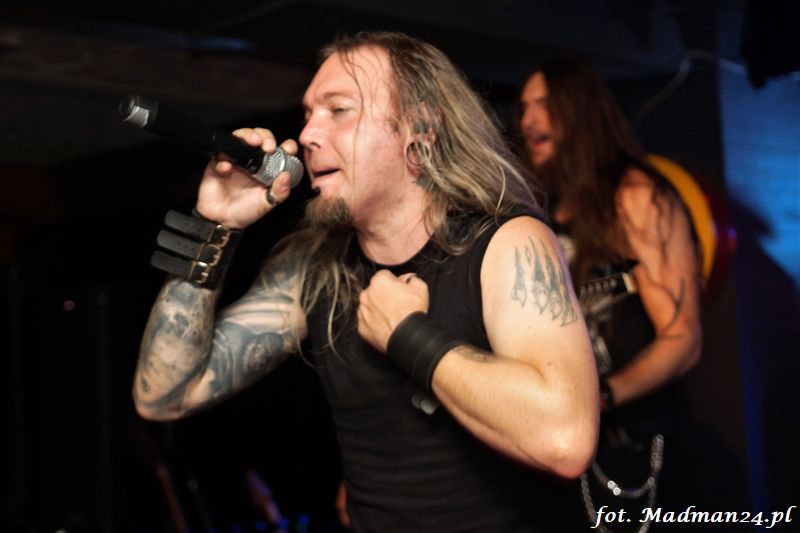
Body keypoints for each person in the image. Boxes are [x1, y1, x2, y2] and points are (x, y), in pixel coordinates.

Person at [134, 31, 599, 532]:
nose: (308, 134)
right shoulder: (313, 265)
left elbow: (565, 442)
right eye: (309, 114)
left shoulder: (507, 243)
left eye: (339, 110)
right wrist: (214, 228)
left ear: (420, 128)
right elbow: (162, 395)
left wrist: (408, 336)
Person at [517, 57, 702, 530]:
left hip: (635, 445)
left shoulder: (636, 197)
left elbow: (682, 339)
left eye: (544, 105)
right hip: (562, 452)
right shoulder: (540, 211)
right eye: (524, 108)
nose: (528, 120)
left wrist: (601, 395)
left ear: (579, 112)